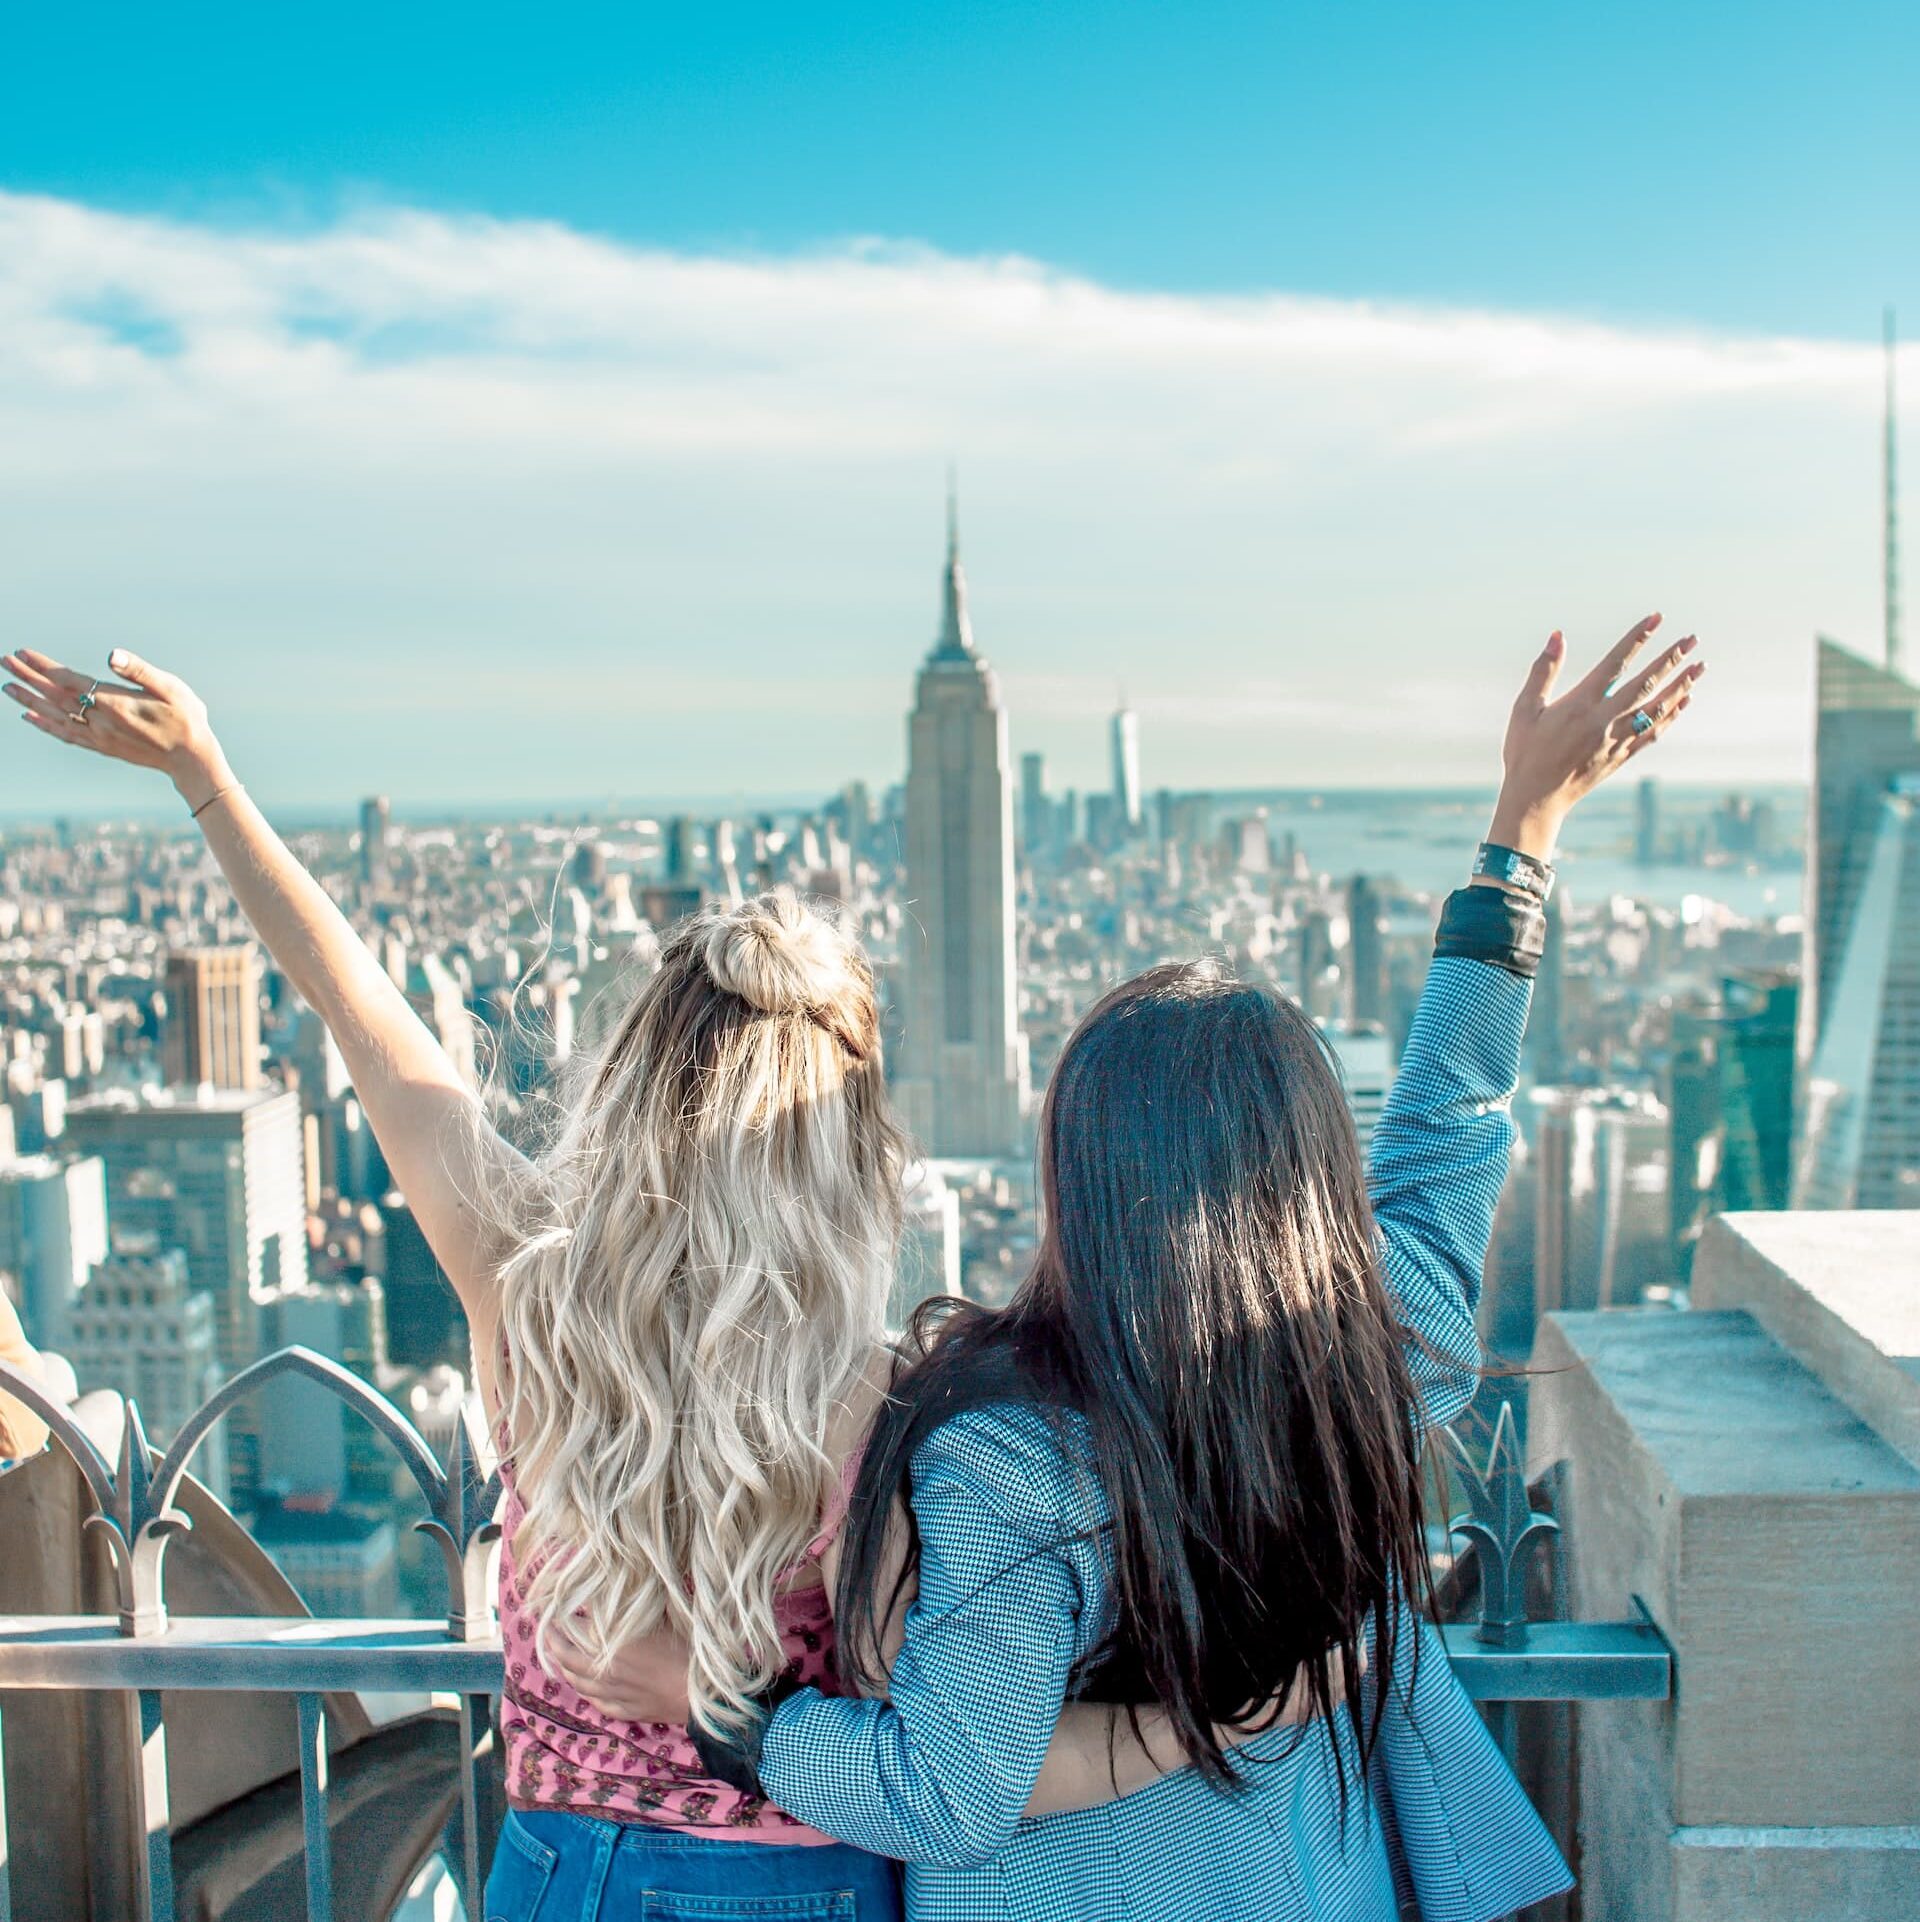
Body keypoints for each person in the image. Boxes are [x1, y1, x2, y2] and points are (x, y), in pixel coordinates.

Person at [3, 642, 1217, 1921]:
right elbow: (950, 1748)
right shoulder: (885, 1393)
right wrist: (1205, 1720)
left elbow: (370, 1026)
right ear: (846, 1132)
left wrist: (208, 777)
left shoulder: (530, 1297)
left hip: (558, 1868)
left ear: (638, 1089)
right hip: (809, 1881)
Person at [559, 616, 1705, 1921]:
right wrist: (1522, 833)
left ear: (1076, 1182)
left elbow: (946, 1790)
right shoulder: (1372, 1364)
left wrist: (740, 1723)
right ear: (1309, 1173)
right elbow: (1448, 1134)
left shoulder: (1003, 1451)